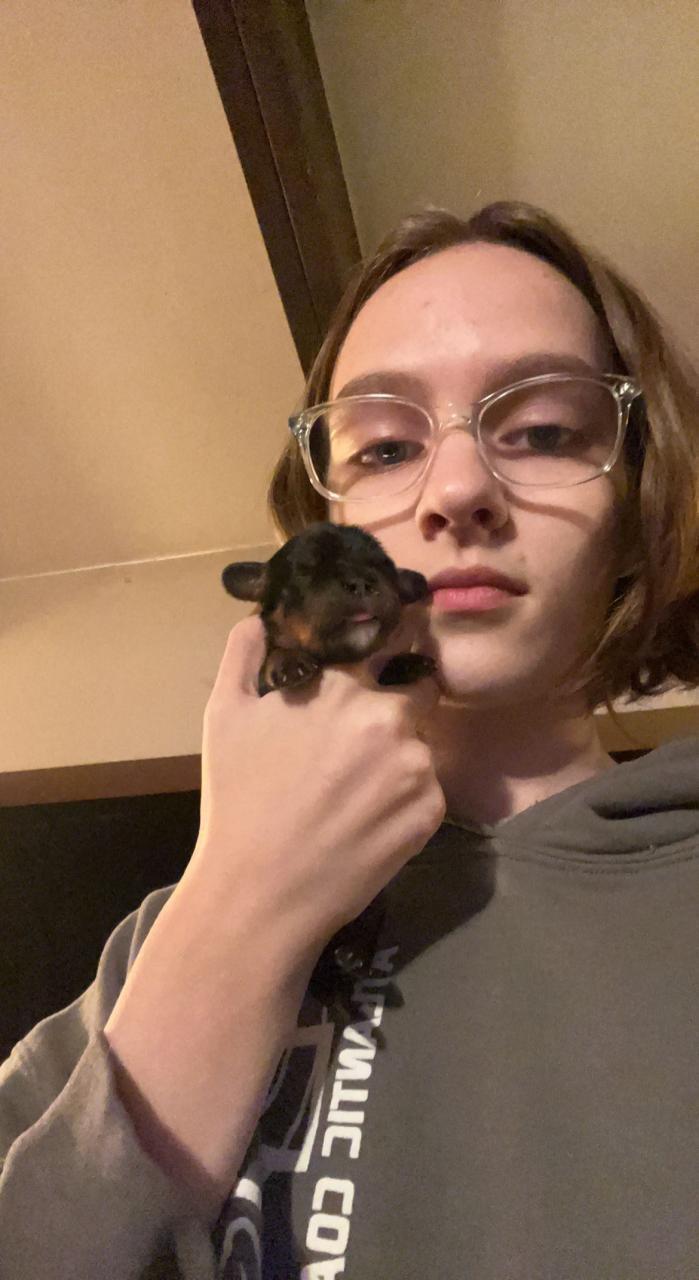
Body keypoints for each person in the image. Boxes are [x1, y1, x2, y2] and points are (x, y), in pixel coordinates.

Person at [1, 201, 698, 1280]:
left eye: (543, 431)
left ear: (634, 504)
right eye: (383, 446)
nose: (457, 491)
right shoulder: (157, 944)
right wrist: (242, 910)